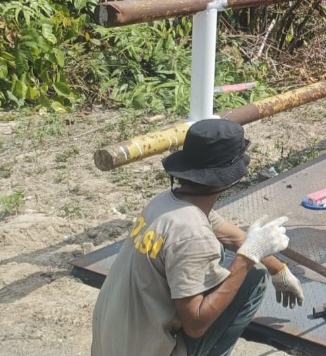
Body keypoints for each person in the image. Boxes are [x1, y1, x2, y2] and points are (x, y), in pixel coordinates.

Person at [91, 119, 302, 356]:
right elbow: (195, 325)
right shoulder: (193, 237)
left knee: (223, 254)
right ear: (231, 177)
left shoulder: (167, 203)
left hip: (111, 346)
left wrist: (278, 268)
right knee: (252, 276)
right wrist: (248, 257)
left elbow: (229, 235)